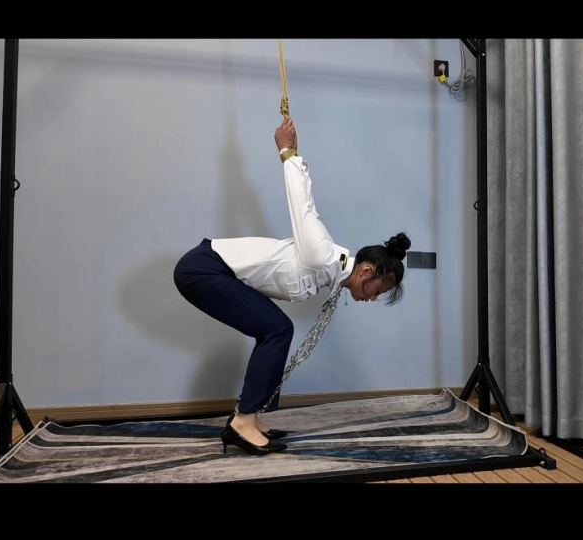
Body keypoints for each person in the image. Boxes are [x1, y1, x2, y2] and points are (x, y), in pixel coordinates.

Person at [173, 116, 411, 456]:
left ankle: (252, 417)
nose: (373, 298)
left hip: (212, 269)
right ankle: (242, 421)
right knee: (277, 329)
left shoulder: (331, 273)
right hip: (203, 269)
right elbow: (303, 205)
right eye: (379, 290)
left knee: (275, 329)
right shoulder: (322, 256)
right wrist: (288, 152)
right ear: (367, 271)